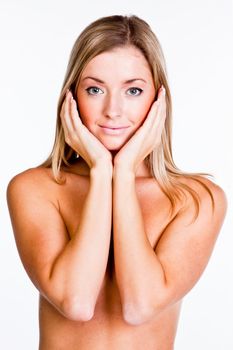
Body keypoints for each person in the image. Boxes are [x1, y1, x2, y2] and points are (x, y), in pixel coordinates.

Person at [7, 14, 227, 350]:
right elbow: (76, 301)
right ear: (72, 97)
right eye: (95, 89)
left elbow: (140, 306)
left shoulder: (196, 200)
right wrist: (100, 171)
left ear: (158, 99)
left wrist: (123, 172)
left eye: (133, 90)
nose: (113, 110)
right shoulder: (35, 189)